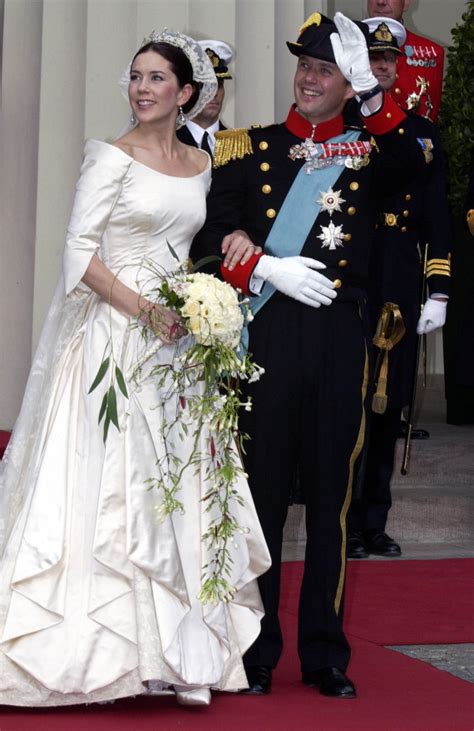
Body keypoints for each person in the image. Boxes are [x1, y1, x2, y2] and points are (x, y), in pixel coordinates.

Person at [0, 30, 270, 707]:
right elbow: (77, 255)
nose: (142, 89)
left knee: (172, 491)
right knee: (110, 487)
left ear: (186, 94)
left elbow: (196, 246)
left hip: (177, 349)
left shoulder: (200, 167)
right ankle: (101, 651)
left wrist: (202, 297)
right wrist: (144, 309)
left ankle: (178, 653)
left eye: (157, 79)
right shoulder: (109, 158)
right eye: (136, 77)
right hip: (111, 341)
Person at [191, 11, 425, 699]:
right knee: (261, 494)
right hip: (269, 335)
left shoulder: (369, 153)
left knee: (332, 497)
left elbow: (413, 170)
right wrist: (259, 265)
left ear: (346, 84)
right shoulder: (253, 149)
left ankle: (324, 653)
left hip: (339, 335)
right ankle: (255, 650)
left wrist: (376, 101)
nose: (308, 77)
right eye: (304, 65)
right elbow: (208, 240)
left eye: (324, 69)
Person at [346, 18, 451, 559]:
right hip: (352, 271)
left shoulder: (423, 134)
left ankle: (373, 523)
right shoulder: (342, 127)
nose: (382, 67)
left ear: (397, 66)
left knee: (388, 406)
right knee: (348, 403)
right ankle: (340, 523)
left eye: (388, 60)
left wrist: (438, 290)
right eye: (373, 59)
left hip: (400, 275)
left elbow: (437, 214)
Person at [366, 0, 444, 120]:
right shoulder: (347, 47)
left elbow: (429, 123)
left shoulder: (431, 53)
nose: (381, 1)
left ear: (406, 2)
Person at [177, 40, 233, 157]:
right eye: (203, 86)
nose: (213, 94)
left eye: (218, 85)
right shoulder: (167, 143)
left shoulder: (238, 146)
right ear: (186, 91)